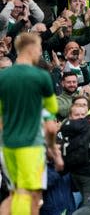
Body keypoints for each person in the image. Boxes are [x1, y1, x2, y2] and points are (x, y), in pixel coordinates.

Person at [0, 32, 60, 214]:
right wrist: (53, 150)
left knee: (15, 194)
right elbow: (50, 121)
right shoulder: (41, 77)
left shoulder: (2, 78)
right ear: (33, 48)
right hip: (31, 146)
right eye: (40, 49)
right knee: (24, 193)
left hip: (7, 146)